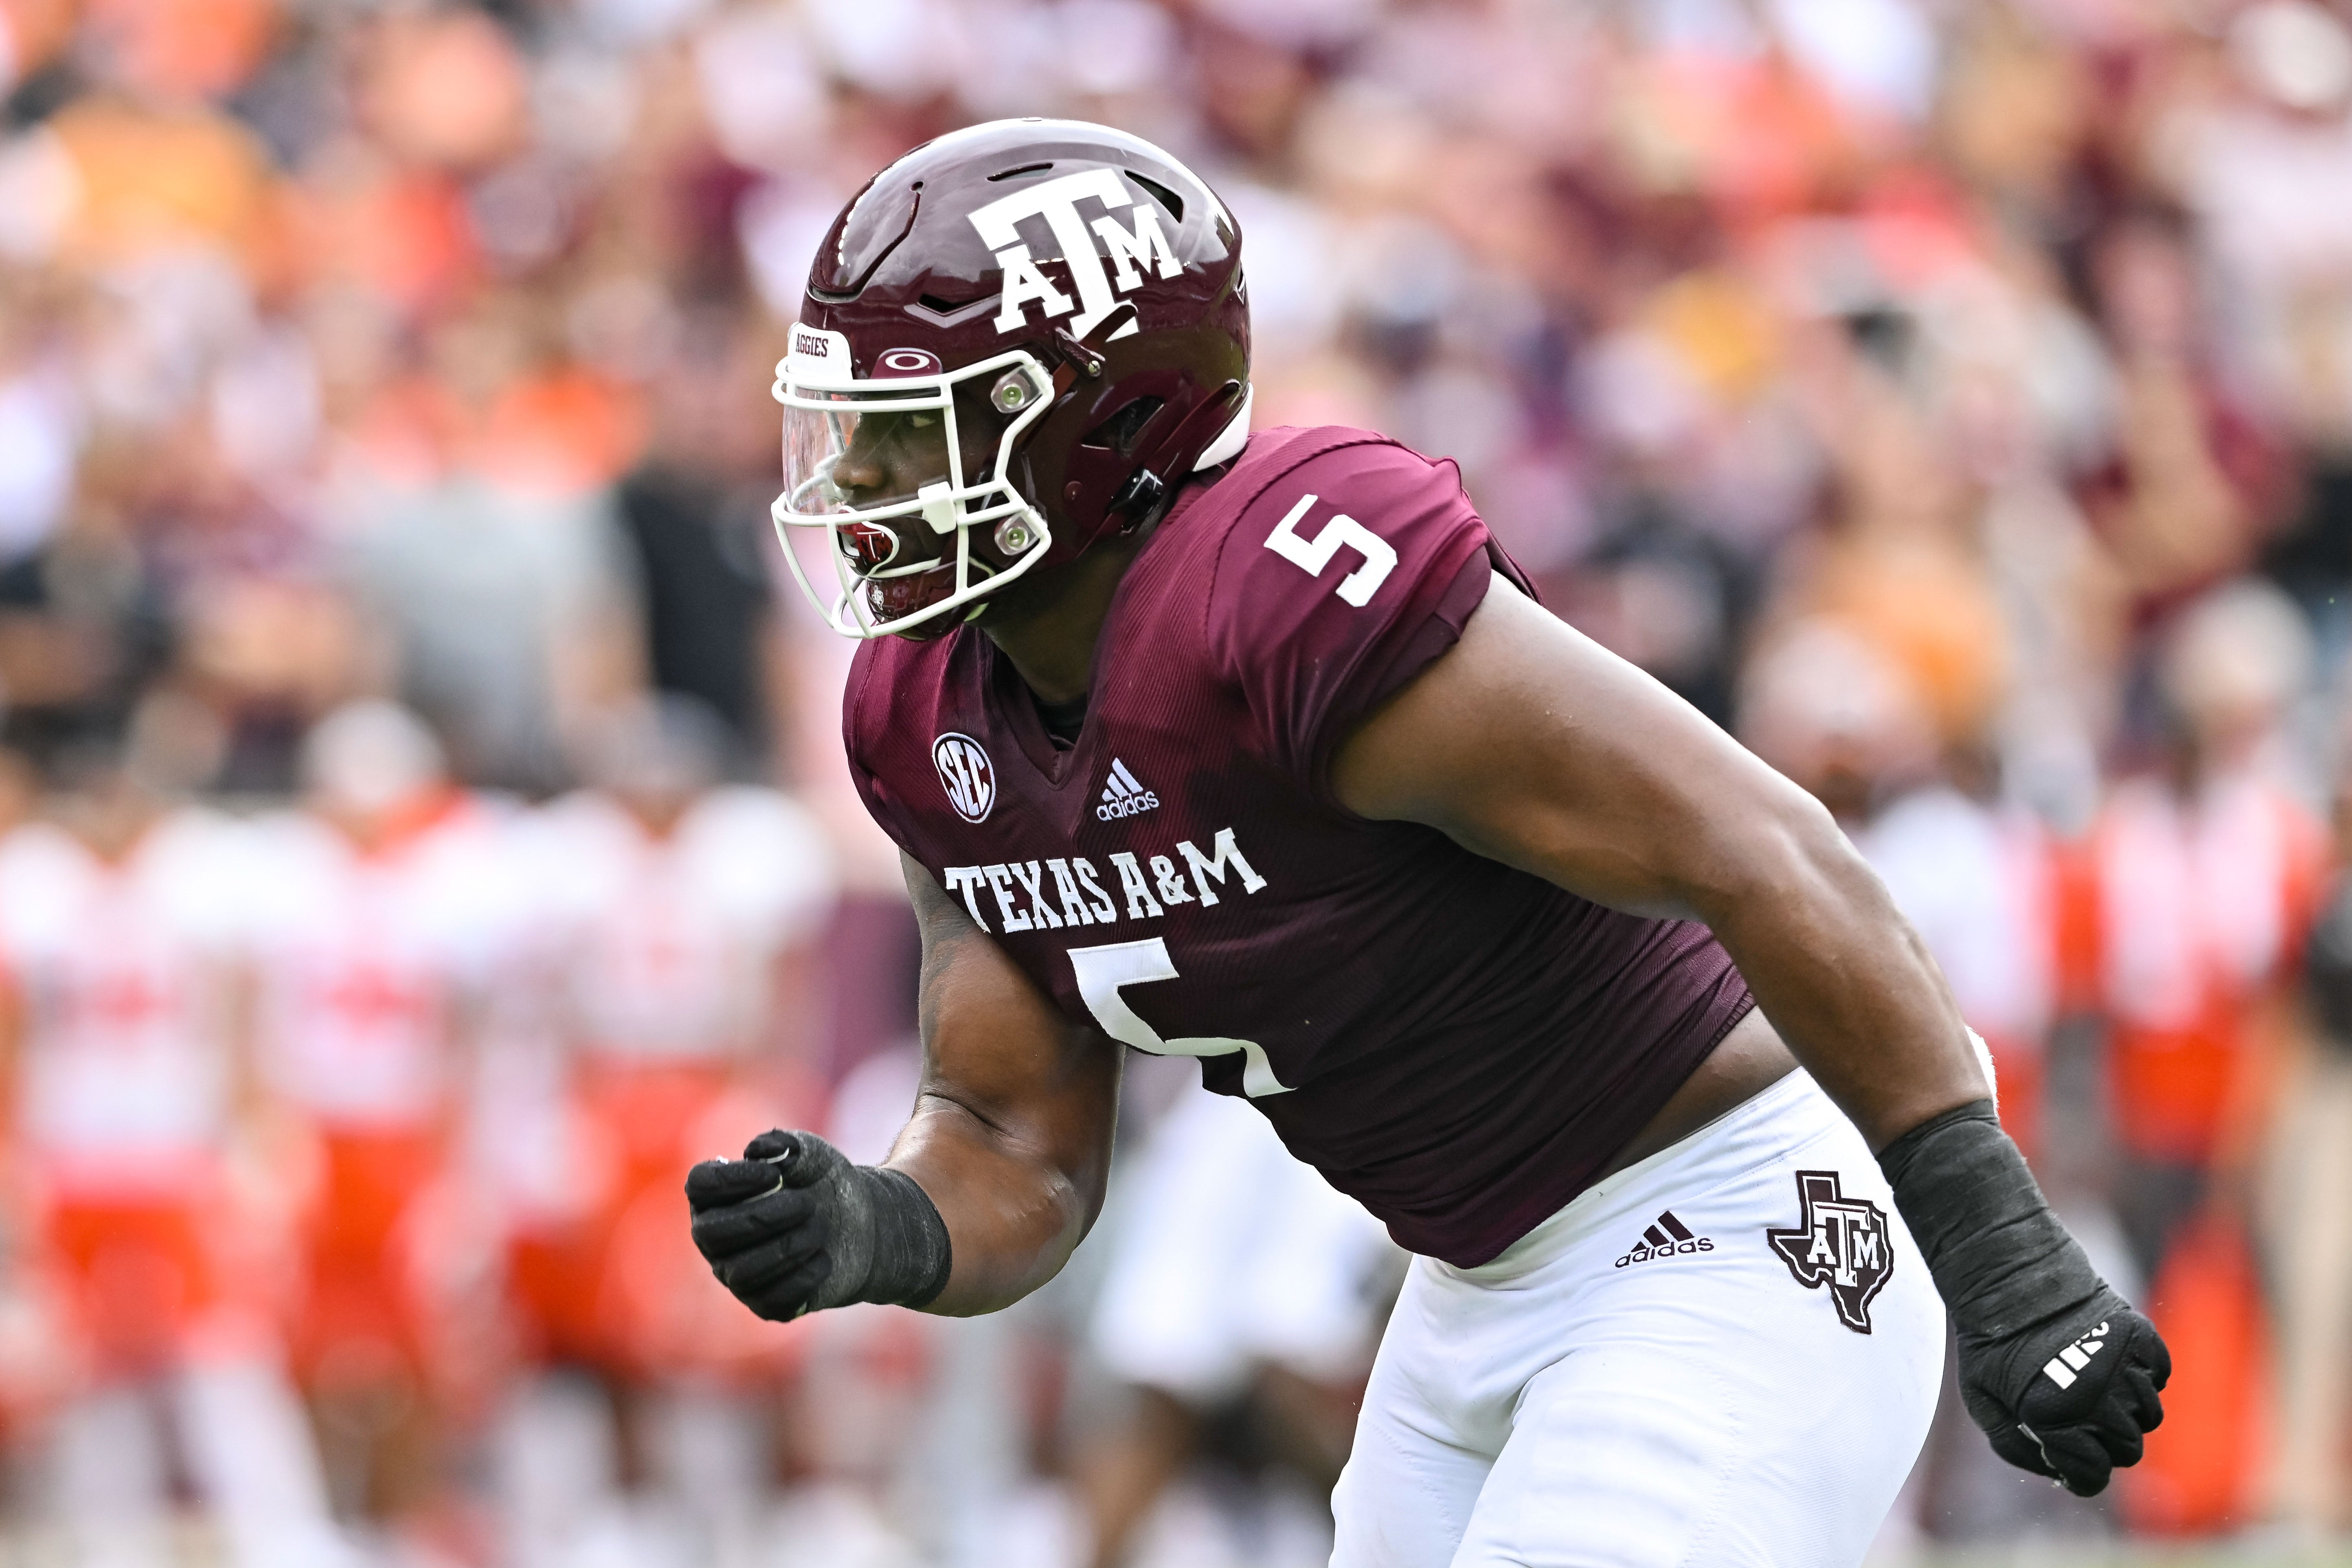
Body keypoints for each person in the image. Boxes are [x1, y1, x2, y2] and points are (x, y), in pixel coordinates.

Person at [686, 120, 2169, 1566]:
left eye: (914, 424)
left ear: (1098, 418)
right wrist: (876, 1225)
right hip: (1466, 1289)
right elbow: (1018, 1147)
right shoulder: (921, 708)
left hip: (1729, 1225)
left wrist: (2000, 1247)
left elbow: (1766, 849)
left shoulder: (1277, 596)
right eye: (855, 426)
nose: (860, 477)